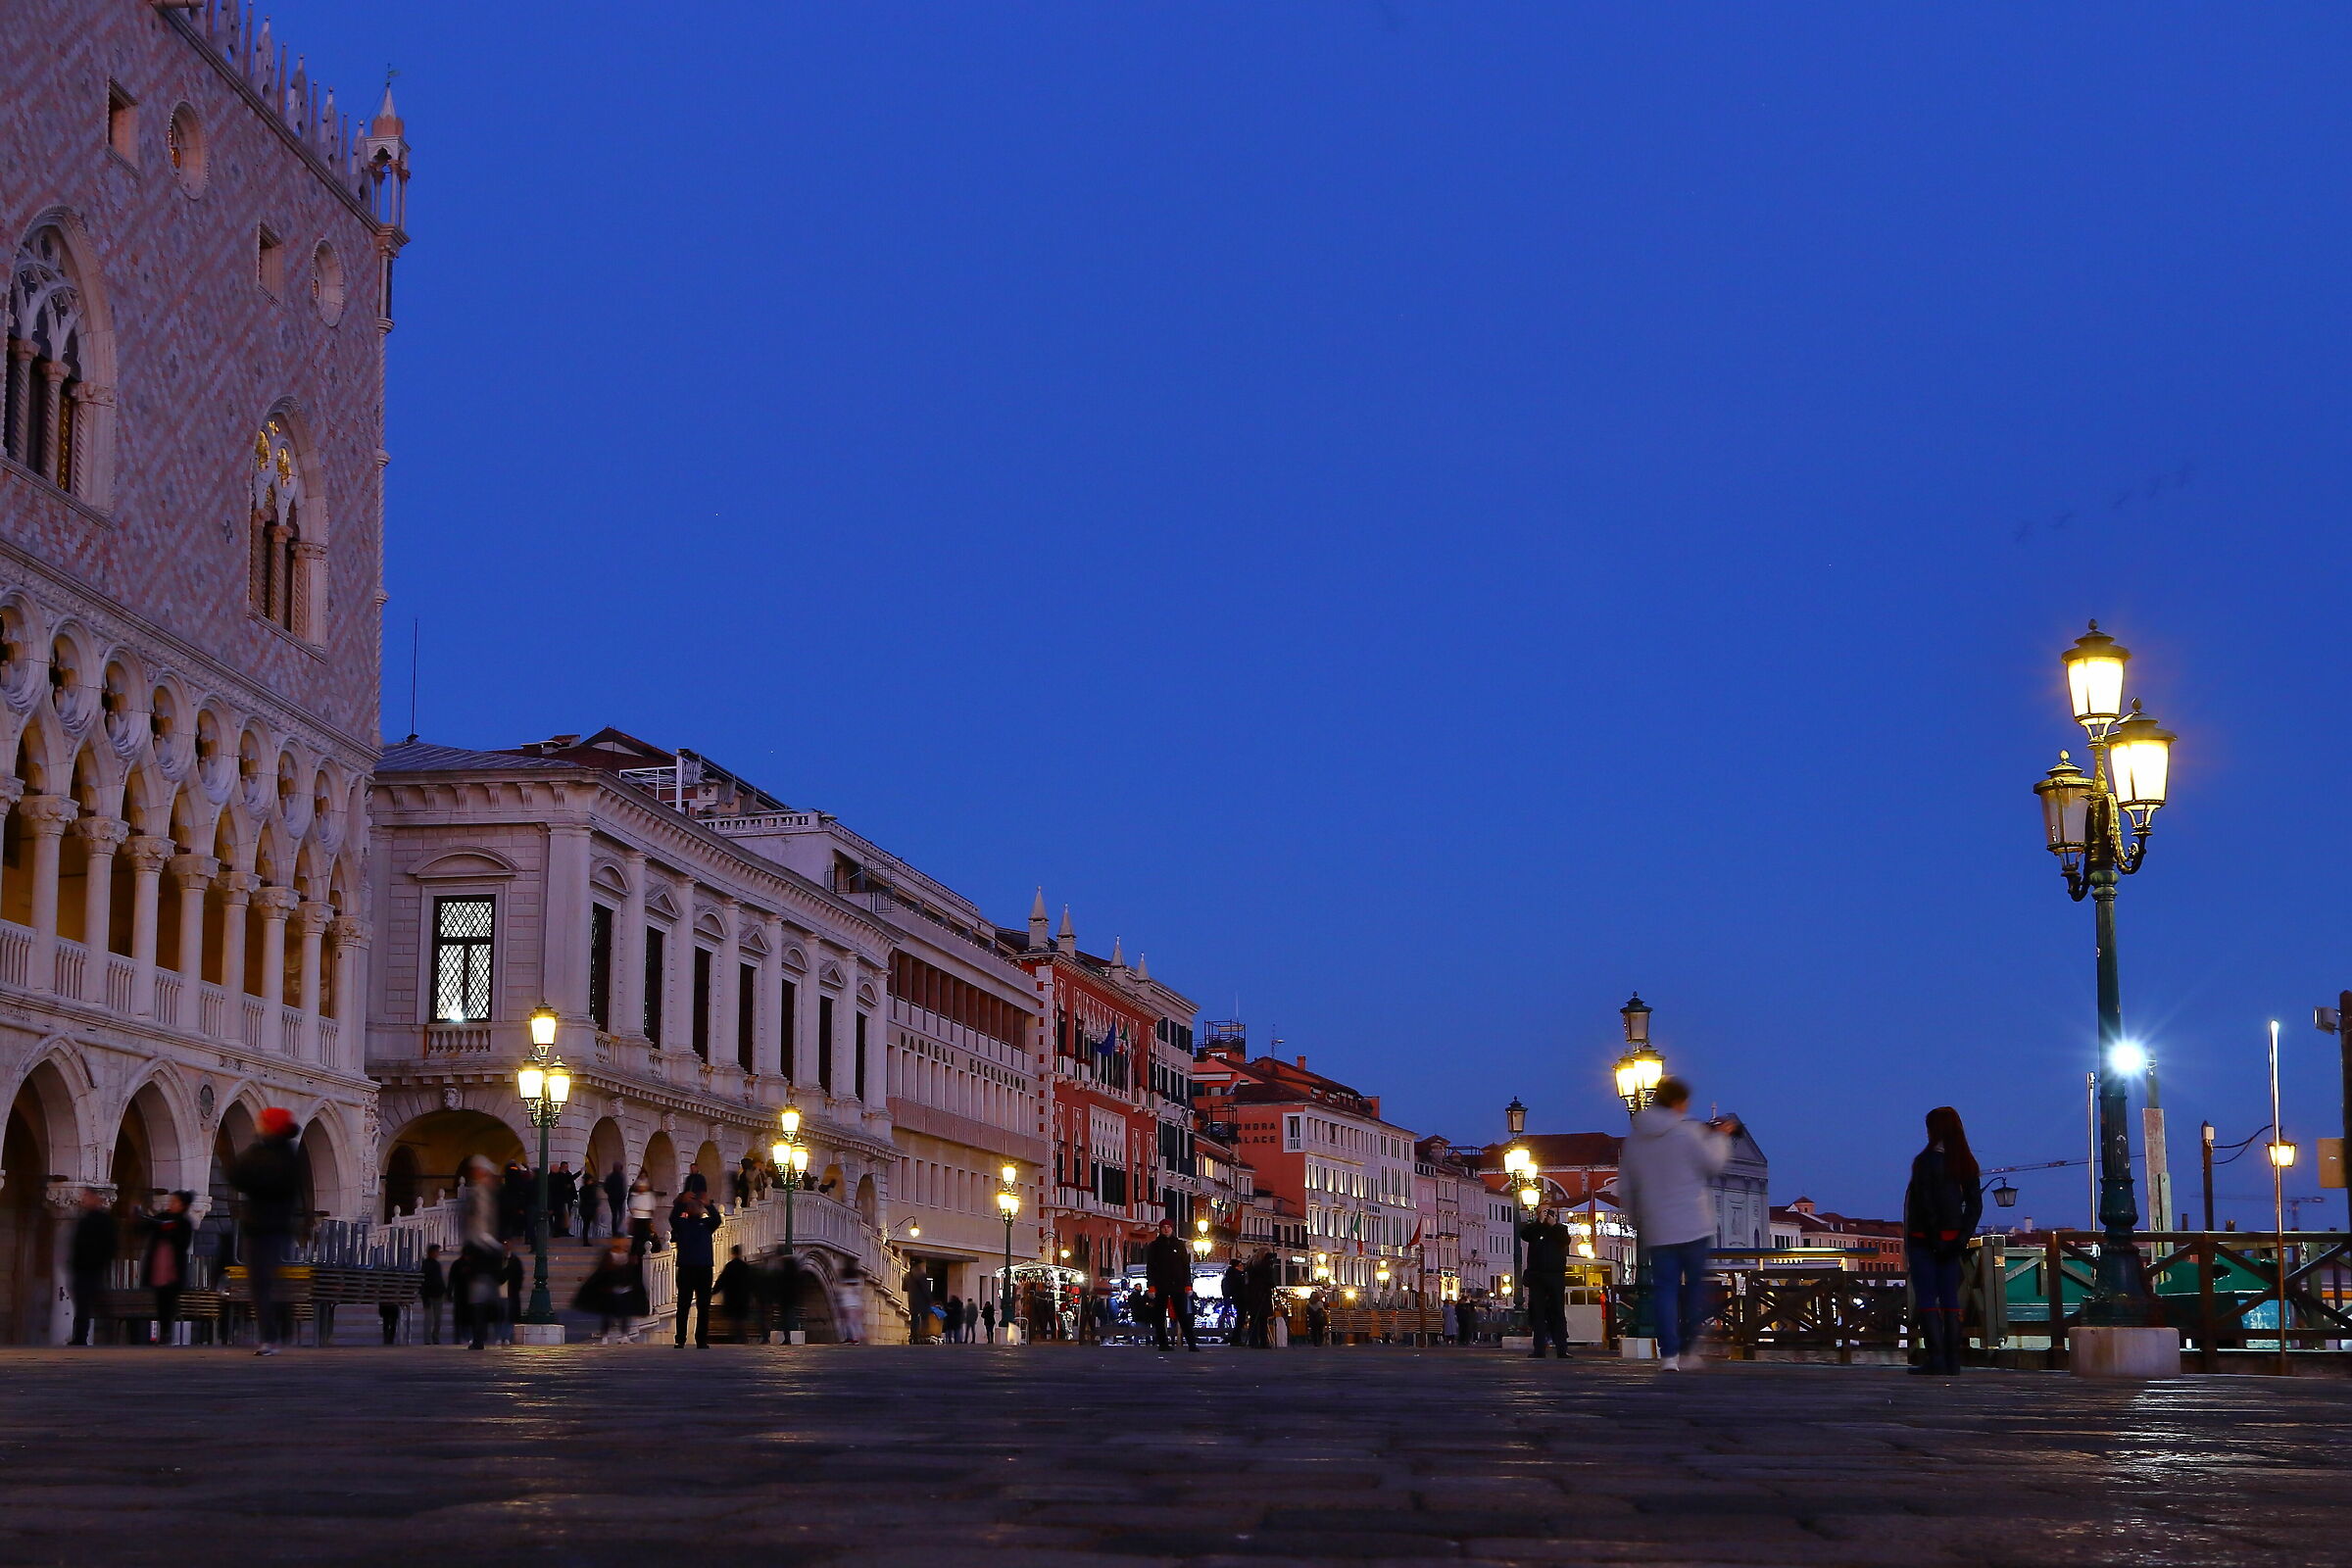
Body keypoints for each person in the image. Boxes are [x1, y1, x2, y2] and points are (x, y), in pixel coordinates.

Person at [1617, 1077, 1735, 1372]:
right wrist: (1721, 1136)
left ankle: (1668, 1356)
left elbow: (1627, 1186)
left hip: (1658, 1227)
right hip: (1693, 1223)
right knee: (1694, 1288)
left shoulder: (1635, 1140)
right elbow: (1713, 1165)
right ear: (1678, 1103)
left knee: (1665, 1290)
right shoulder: (1688, 1132)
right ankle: (1687, 1347)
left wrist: (1636, 1220)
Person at [1904, 1105, 1984, 1377]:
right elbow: (1975, 1207)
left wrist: (1932, 1236)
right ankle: (1953, 1362)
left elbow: (1923, 1203)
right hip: (1953, 1239)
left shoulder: (1925, 1161)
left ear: (1932, 1129)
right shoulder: (1967, 1162)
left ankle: (1936, 1358)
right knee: (1950, 1299)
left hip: (1923, 1239)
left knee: (1927, 1298)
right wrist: (1962, 1237)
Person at [231, 1107, 308, 1354]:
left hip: (261, 1225)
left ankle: (271, 1335)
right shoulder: (289, 1155)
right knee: (270, 1281)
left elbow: (238, 1176)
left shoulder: (264, 1154)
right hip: (276, 1226)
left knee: (261, 1283)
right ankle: (278, 1330)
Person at [458, 1154, 503, 1350]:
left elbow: (477, 1224)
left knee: (480, 1297)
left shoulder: (485, 1194)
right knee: (480, 1296)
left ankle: (479, 1336)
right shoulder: (482, 1193)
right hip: (483, 1250)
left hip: (484, 1251)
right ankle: (479, 1336)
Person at [139, 1191, 195, 1346]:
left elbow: (183, 1243)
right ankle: (164, 1332)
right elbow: (146, 1228)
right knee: (161, 1300)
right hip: (159, 1265)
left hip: (173, 1268)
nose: (172, 1204)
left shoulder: (184, 1223)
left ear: (183, 1205)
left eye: (175, 1201)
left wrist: (171, 1231)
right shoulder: (163, 1217)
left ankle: (166, 1332)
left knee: (169, 1300)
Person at [1521, 1206, 1574, 1359]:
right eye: (1543, 1212)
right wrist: (1539, 1222)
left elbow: (1565, 1240)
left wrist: (1554, 1225)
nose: (1547, 1215)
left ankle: (1562, 1348)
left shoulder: (1560, 1229)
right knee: (1537, 1313)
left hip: (1555, 1275)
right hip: (1537, 1275)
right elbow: (1524, 1234)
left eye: (1549, 1213)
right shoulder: (1534, 1229)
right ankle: (1539, 1349)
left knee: (1558, 1312)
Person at [670, 1190, 721, 1348]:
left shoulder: (707, 1225)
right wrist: (682, 1202)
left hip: (703, 1268)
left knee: (703, 1306)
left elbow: (717, 1219)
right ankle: (681, 1339)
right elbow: (672, 1218)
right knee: (683, 1305)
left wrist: (708, 1205)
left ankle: (701, 1339)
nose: (696, 1208)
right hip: (687, 1268)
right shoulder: (682, 1225)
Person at [574, 1237, 647, 1343]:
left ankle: (624, 1336)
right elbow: (602, 1272)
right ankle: (605, 1336)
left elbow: (631, 1273)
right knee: (607, 1315)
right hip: (610, 1290)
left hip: (624, 1290)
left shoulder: (628, 1256)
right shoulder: (608, 1255)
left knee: (625, 1314)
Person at [68, 1190, 116, 1347]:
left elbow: (110, 1245)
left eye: (87, 1197)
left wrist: (100, 1262)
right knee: (83, 1306)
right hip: (82, 1269)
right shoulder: (85, 1219)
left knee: (96, 1305)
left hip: (93, 1269)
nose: (84, 1200)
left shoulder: (102, 1220)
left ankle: (107, 1335)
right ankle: (80, 1338)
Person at [1144, 1219, 1198, 1351]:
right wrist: (1151, 1286)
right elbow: (1150, 1267)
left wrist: (1187, 1284)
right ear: (1160, 1229)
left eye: (1168, 1227)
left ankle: (1191, 1343)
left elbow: (1186, 1266)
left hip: (1177, 1284)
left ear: (1172, 1229)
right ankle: (1163, 1343)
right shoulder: (1154, 1246)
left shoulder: (1179, 1245)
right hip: (1160, 1284)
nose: (1166, 1229)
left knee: (1182, 1314)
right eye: (1164, 1227)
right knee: (1159, 1315)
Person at [715, 1245, 756, 1342]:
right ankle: (741, 1337)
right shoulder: (745, 1267)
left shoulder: (730, 1266)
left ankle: (738, 1337)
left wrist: (714, 1291)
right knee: (740, 1319)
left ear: (732, 1253)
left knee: (734, 1319)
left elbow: (722, 1280)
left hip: (731, 1298)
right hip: (743, 1298)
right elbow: (751, 1282)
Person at [1247, 1250, 1281, 1348]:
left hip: (1253, 1295)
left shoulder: (1251, 1266)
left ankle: (1254, 1341)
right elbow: (1268, 1280)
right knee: (1262, 1319)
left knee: (1254, 1319)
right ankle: (1262, 1341)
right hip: (1261, 1294)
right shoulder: (1263, 1267)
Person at [418, 1244, 447, 1345]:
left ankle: (435, 1337)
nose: (438, 1254)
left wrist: (444, 1290)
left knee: (437, 1319)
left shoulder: (437, 1264)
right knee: (429, 1319)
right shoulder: (426, 1264)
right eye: (436, 1251)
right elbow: (422, 1281)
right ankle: (427, 1339)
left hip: (438, 1294)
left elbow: (439, 1279)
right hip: (428, 1295)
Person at [627, 1177, 659, 1257]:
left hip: (646, 1220)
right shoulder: (634, 1195)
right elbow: (631, 1207)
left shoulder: (649, 1195)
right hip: (637, 1219)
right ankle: (634, 1254)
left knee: (646, 1237)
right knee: (637, 1238)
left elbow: (652, 1207)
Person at [500, 1243, 524, 1343]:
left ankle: (506, 1337)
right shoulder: (497, 1260)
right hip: (499, 1291)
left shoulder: (515, 1260)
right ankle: (500, 1336)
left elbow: (519, 1275)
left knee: (509, 1315)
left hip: (511, 1291)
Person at [549, 1162, 578, 1238]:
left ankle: (562, 1231)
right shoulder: (558, 1176)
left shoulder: (566, 1175)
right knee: (561, 1216)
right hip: (561, 1199)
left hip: (565, 1199)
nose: (566, 1168)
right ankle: (558, 1231)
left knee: (564, 1216)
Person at [604, 1165, 629, 1246]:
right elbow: (623, 1188)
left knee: (617, 1215)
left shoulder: (612, 1177)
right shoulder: (619, 1177)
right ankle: (616, 1231)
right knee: (618, 1215)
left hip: (615, 1199)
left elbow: (606, 1188)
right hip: (616, 1199)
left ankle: (616, 1231)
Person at [578, 1164, 604, 1245]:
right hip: (587, 1209)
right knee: (587, 1225)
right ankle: (587, 1241)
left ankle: (590, 1240)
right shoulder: (587, 1189)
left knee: (588, 1225)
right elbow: (589, 1198)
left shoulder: (588, 1188)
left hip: (588, 1209)